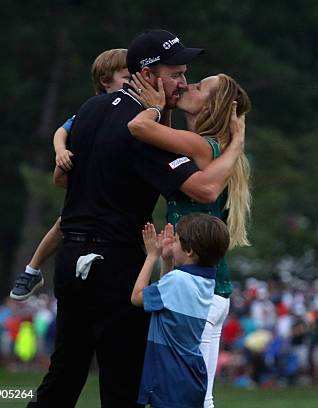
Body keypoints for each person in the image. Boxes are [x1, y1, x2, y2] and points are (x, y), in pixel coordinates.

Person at [28, 29, 246, 408]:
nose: (182, 82)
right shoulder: (147, 130)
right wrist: (237, 142)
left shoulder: (91, 109)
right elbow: (203, 189)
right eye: (176, 74)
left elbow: (61, 177)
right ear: (148, 75)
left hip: (70, 259)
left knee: (64, 373)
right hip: (116, 263)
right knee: (123, 381)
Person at [127, 70, 251, 408]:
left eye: (198, 87)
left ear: (211, 108)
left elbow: (138, 128)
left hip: (198, 289)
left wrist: (153, 107)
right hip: (213, 288)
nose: (187, 85)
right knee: (200, 394)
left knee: (191, 397)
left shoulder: (202, 145)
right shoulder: (223, 150)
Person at [10, 48, 130, 300]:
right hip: (86, 182)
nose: (131, 83)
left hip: (106, 186)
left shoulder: (133, 110)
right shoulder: (92, 110)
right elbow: (61, 131)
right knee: (64, 223)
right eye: (126, 78)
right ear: (105, 81)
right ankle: (32, 269)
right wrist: (60, 152)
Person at [131, 214, 229, 408]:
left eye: (176, 241)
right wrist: (167, 260)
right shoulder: (206, 281)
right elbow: (166, 299)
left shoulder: (178, 280)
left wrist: (152, 256)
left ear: (190, 250)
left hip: (170, 374)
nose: (172, 244)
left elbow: (137, 297)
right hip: (189, 374)